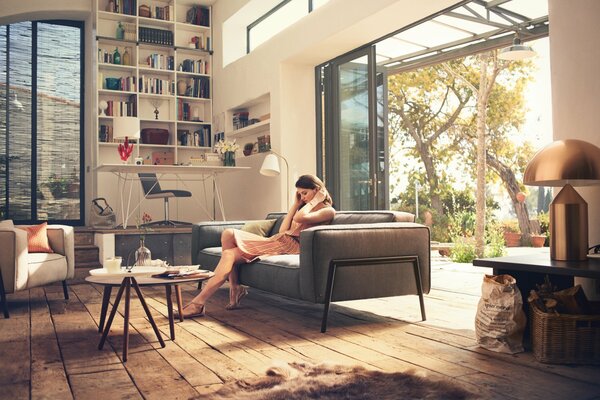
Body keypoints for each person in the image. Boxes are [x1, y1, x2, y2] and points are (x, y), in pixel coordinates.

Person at [180, 174, 336, 318]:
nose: (302, 198)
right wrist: (296, 204)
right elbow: (283, 230)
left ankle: (199, 303)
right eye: (299, 194)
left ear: (317, 190)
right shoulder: (303, 207)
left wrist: (314, 200)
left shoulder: (327, 211)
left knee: (228, 254)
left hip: (291, 247)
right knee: (228, 233)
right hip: (280, 240)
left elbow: (300, 218)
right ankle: (234, 287)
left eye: (305, 193)